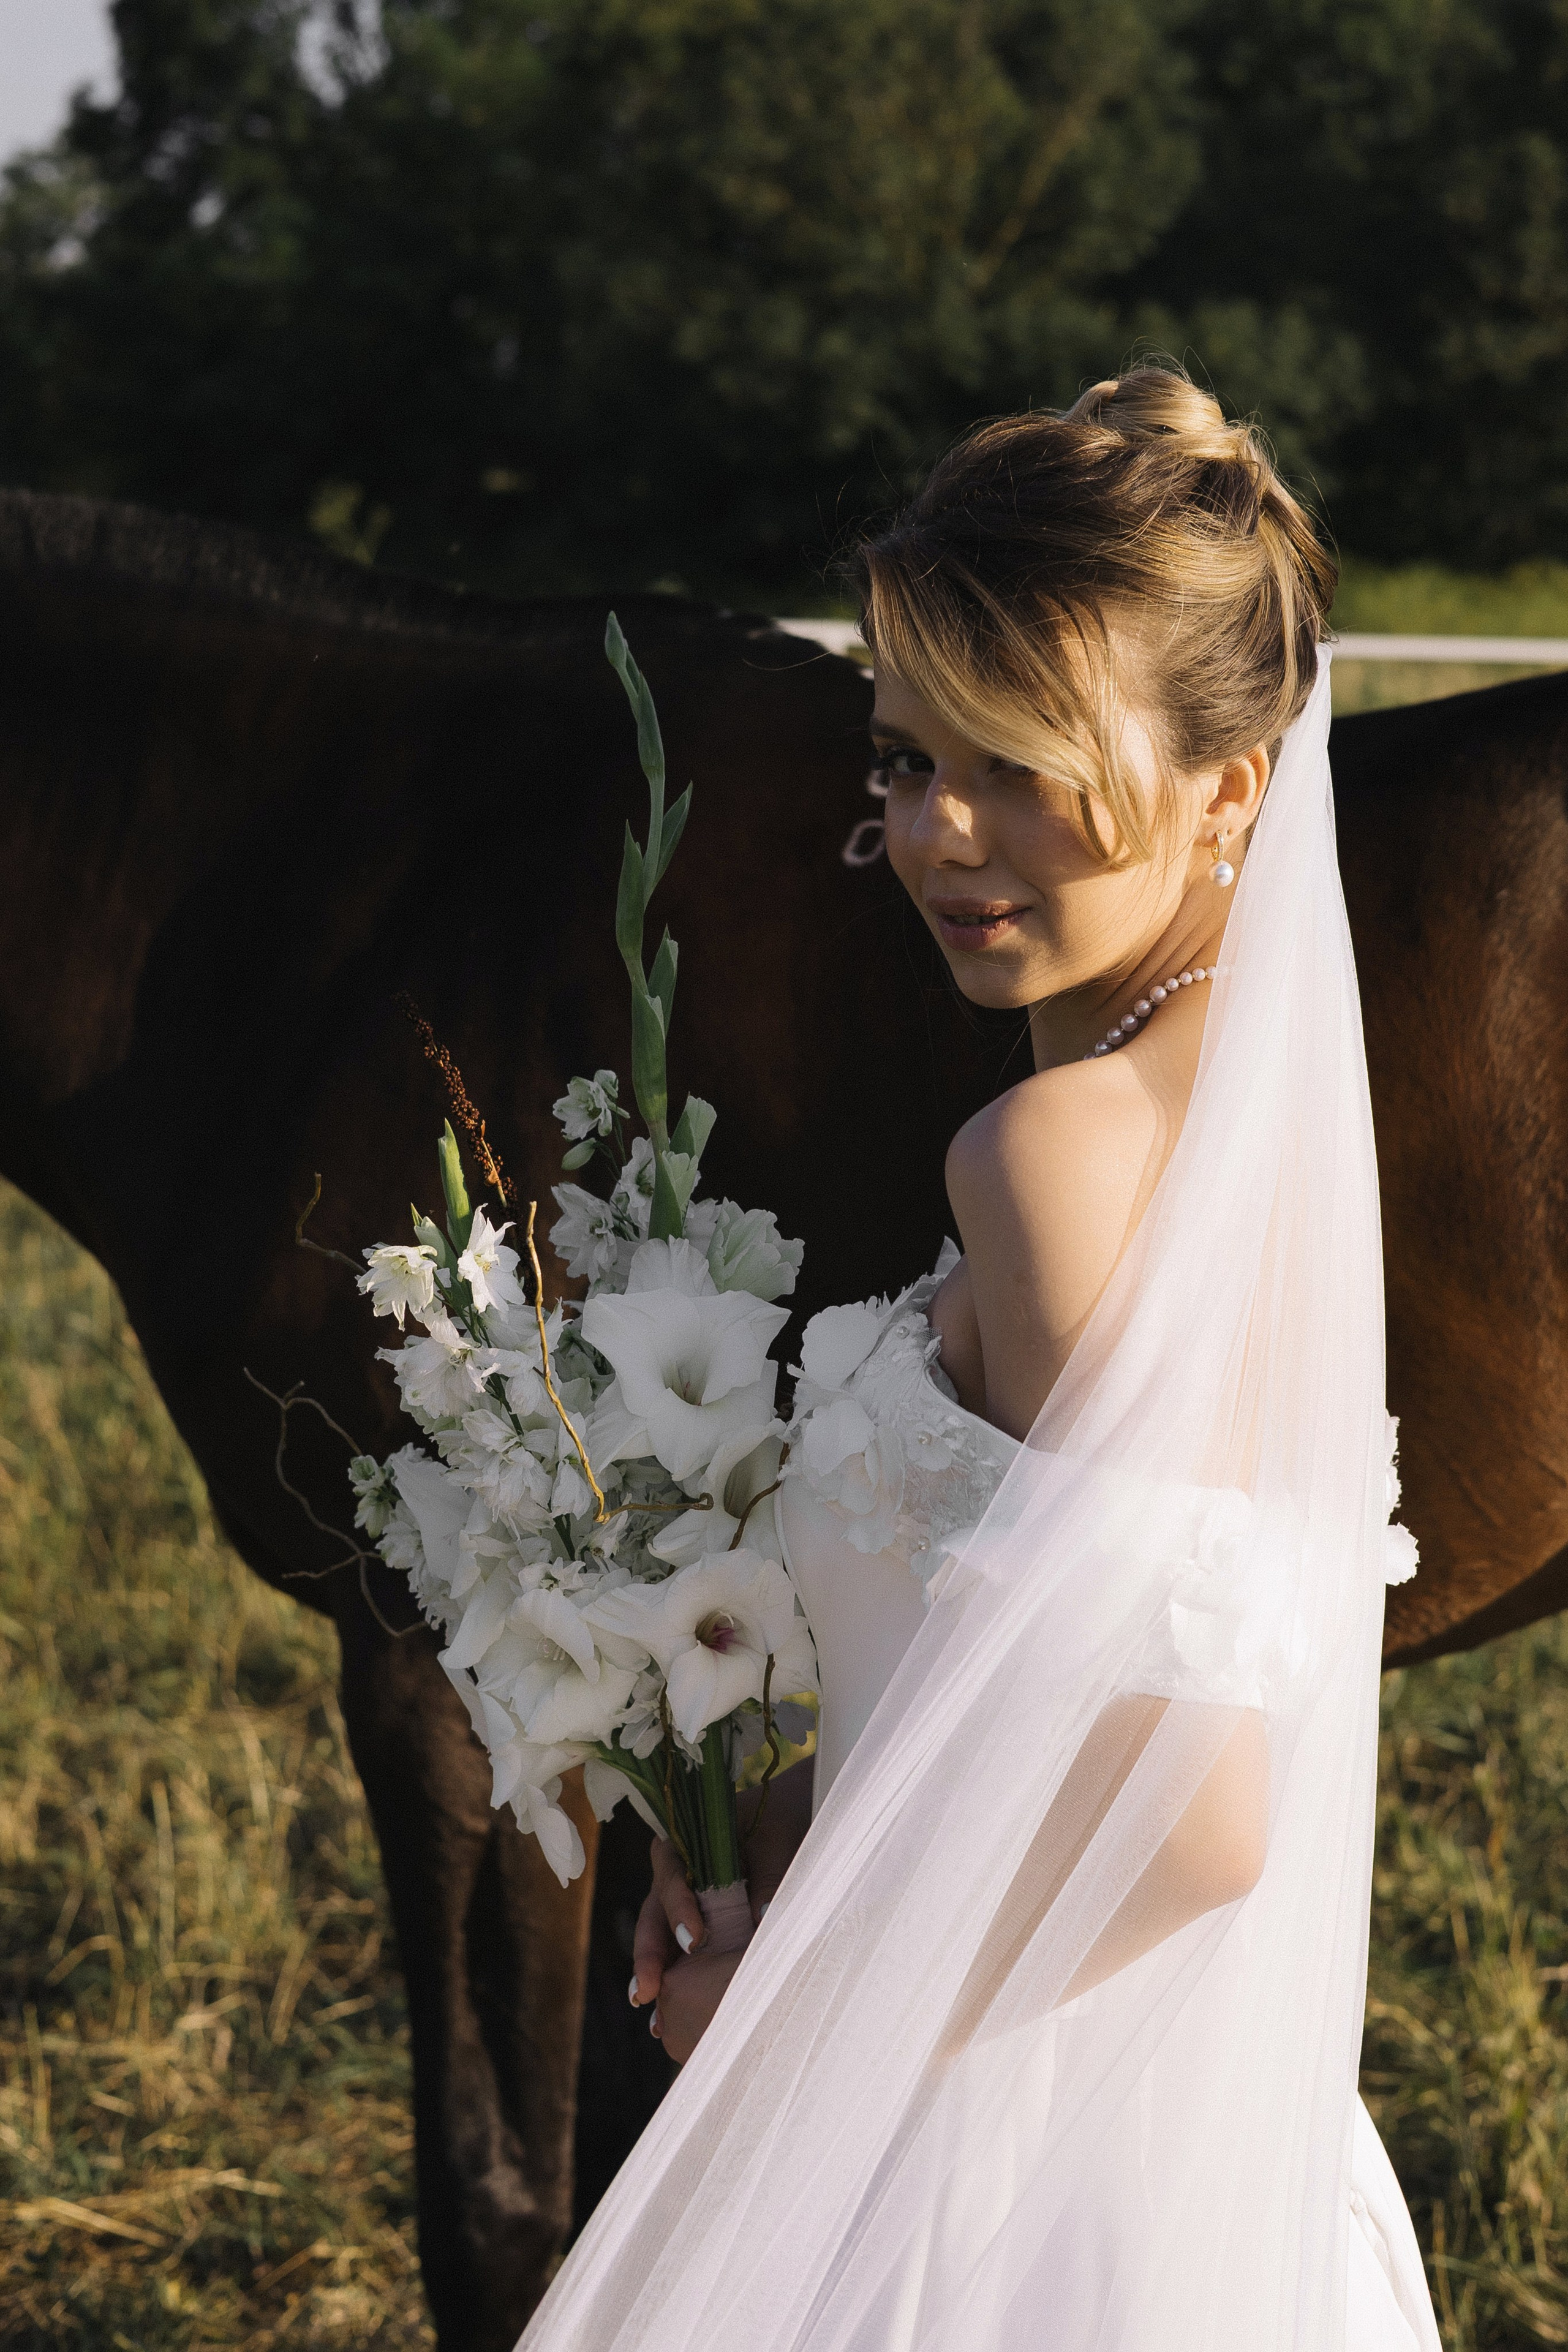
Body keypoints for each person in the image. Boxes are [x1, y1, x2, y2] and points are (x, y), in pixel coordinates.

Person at [519, 369, 1441, 2350]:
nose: (941, 832)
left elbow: (1191, 1813)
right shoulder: (1240, 1120)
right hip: (1187, 2137)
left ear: (1231, 785)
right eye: (907, 756)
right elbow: (1027, 1679)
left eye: (1020, 765)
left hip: (1006, 2176)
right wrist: (769, 1841)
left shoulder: (1058, 1154)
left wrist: (792, 2016)